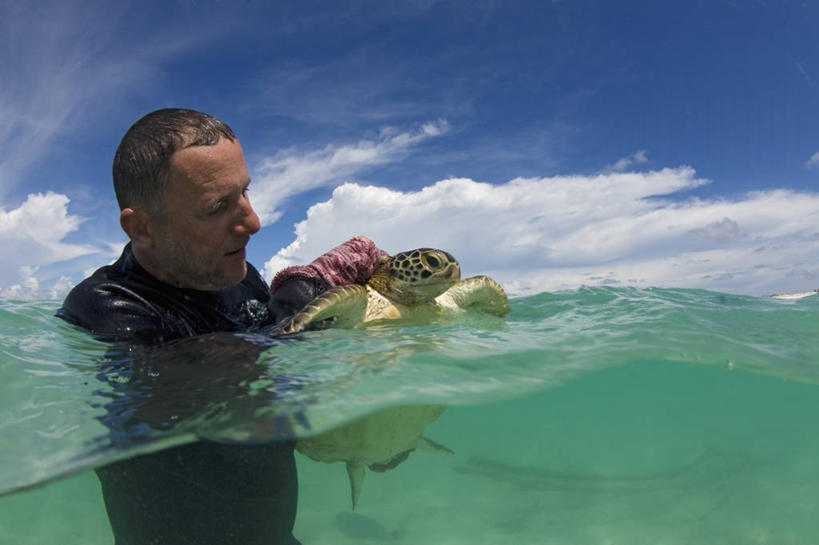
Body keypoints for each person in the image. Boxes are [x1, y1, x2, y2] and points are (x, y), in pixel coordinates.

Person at [58, 108, 386, 545]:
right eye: (217, 206)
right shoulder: (106, 305)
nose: (253, 222)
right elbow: (210, 380)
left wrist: (375, 433)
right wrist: (306, 292)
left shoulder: (238, 275)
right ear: (142, 227)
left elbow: (272, 389)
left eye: (244, 193)